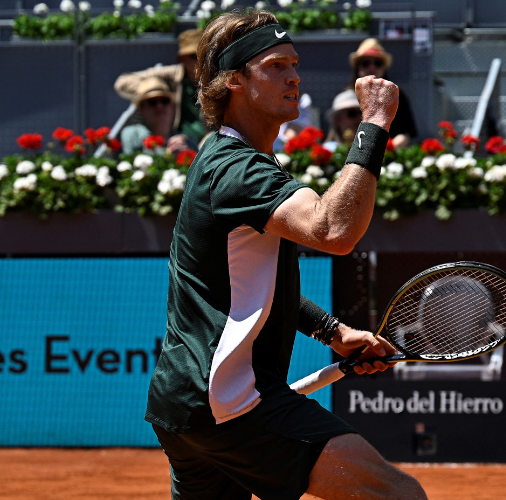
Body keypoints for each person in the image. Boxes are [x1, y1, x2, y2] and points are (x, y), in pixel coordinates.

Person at [146, 10, 427, 500]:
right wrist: (376, 123)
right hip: (230, 401)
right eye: (275, 65)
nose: (294, 75)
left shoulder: (221, 157)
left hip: (182, 405)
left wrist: (333, 331)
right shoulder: (236, 170)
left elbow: (248, 286)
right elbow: (334, 230)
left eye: (294, 63)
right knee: (398, 496)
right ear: (234, 80)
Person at [115, 28, 208, 150]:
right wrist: (153, 90)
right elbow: (122, 82)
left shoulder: (218, 79)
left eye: (205, 56)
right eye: (194, 56)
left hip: (207, 145)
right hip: (176, 142)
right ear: (182, 59)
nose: (201, 61)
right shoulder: (172, 74)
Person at [348, 38, 418, 149]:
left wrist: (386, 150)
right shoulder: (346, 97)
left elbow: (405, 133)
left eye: (378, 63)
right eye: (365, 63)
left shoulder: (397, 96)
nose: (372, 67)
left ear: (384, 68)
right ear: (358, 67)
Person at [119, 77, 194, 155]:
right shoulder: (132, 135)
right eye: (152, 102)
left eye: (165, 101)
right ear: (141, 109)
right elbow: (131, 164)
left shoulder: (189, 142)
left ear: (172, 106)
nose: (159, 106)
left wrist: (187, 156)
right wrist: (167, 155)